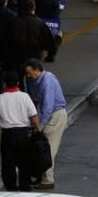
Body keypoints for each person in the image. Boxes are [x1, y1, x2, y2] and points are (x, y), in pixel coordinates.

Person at [0, 71, 40, 192]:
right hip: (23, 134)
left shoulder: (0, 98)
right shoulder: (25, 96)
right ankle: (25, 187)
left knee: (8, 163)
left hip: (8, 135)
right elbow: (33, 116)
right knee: (24, 162)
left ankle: (11, 187)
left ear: (4, 84)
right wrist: (37, 129)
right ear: (18, 83)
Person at [24, 59, 67, 190]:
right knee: (43, 148)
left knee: (47, 150)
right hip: (52, 115)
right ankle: (42, 177)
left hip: (54, 116)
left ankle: (48, 179)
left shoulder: (46, 82)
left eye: (30, 73)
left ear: (37, 70)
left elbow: (47, 107)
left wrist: (39, 126)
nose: (29, 76)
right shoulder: (44, 79)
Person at [4, 0, 57, 82]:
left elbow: (6, 41)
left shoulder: (13, 23)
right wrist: (50, 55)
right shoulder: (40, 23)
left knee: (19, 81)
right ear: (34, 8)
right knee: (34, 83)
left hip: (17, 58)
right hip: (34, 59)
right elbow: (50, 43)